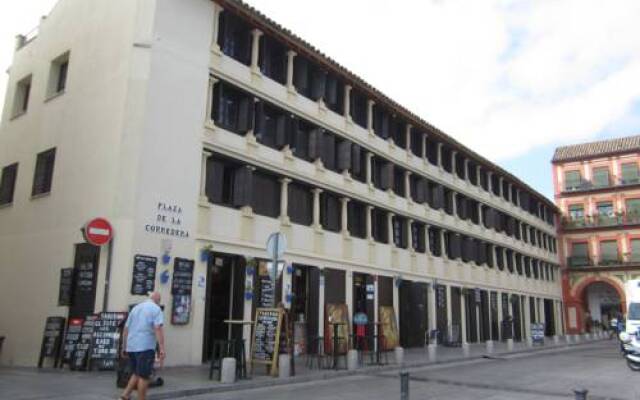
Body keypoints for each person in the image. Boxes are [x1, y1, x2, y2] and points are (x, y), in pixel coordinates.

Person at [119, 292, 165, 400]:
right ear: (158, 300)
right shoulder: (156, 309)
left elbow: (126, 329)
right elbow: (158, 328)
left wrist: (124, 347)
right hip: (145, 347)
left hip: (132, 346)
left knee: (137, 372)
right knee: (144, 376)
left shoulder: (135, 308)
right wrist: (162, 348)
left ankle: (125, 395)